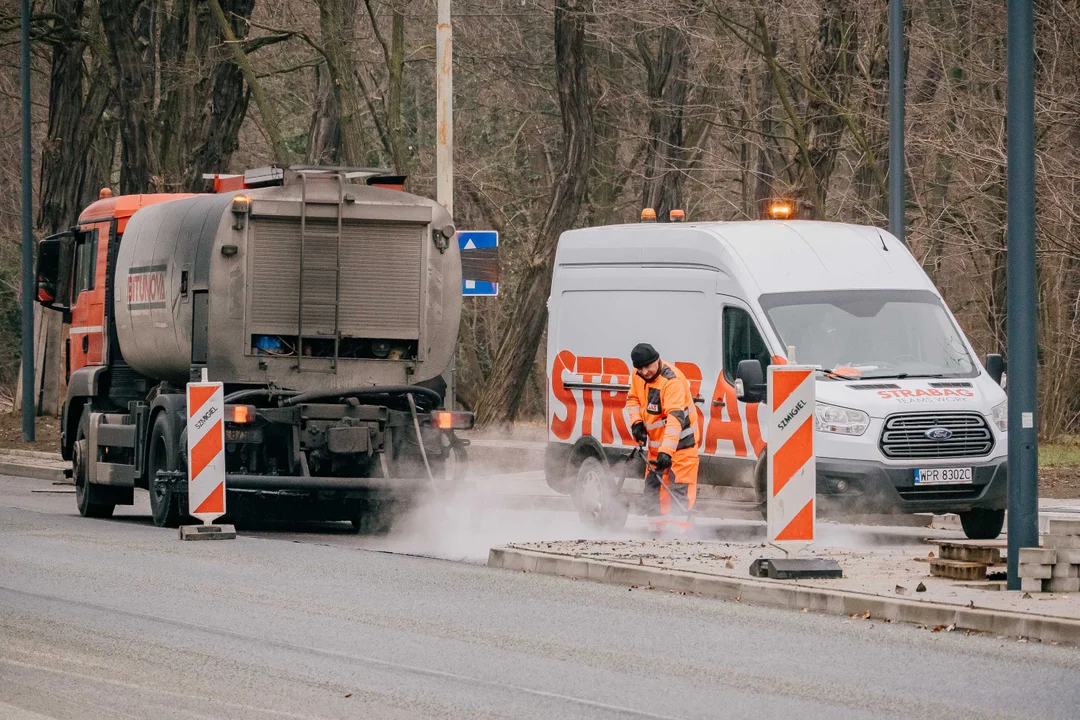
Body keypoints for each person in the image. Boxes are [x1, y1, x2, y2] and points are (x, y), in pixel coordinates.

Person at [625, 343, 701, 533]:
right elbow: (633, 399)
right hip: (657, 445)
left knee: (679, 491)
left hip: (683, 445)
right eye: (640, 368)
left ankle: (679, 536)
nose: (645, 371)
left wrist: (666, 453)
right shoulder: (637, 375)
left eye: (648, 367)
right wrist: (637, 423)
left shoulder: (671, 381)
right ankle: (656, 536)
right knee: (652, 491)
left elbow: (675, 420)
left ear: (657, 360)